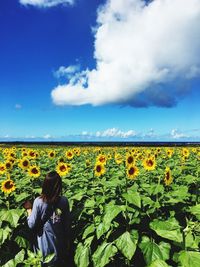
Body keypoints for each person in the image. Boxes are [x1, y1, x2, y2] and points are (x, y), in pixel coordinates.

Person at [25, 171, 71, 266]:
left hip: (44, 246)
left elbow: (31, 224)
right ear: (59, 186)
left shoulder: (39, 202)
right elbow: (67, 225)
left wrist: (29, 209)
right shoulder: (64, 201)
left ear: (45, 185)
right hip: (60, 245)